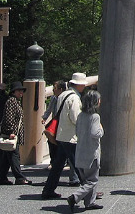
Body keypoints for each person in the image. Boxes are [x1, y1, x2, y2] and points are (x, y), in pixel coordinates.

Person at [42, 72, 88, 200]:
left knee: (57, 165)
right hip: (71, 137)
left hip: (61, 135)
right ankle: (88, 190)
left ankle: (48, 189)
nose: (84, 87)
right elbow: (75, 117)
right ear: (78, 85)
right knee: (78, 164)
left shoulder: (63, 95)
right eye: (82, 85)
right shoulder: (74, 98)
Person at [67, 90, 103, 211]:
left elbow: (77, 132)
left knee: (87, 180)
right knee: (92, 180)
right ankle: (75, 197)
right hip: (91, 153)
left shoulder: (81, 116)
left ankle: (90, 202)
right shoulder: (95, 117)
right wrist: (102, 130)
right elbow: (95, 133)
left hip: (80, 151)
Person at [0, 81, 31, 185]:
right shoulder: (11, 101)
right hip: (11, 134)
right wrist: (11, 131)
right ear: (14, 91)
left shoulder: (14, 101)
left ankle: (1, 177)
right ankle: (19, 177)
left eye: (22, 91)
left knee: (7, 157)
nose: (21, 93)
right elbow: (9, 118)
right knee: (14, 155)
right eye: (19, 91)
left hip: (12, 133)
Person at [42, 80, 76, 179]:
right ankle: (78, 180)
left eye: (55, 89)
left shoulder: (65, 97)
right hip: (59, 126)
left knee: (64, 152)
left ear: (61, 89)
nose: (53, 91)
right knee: (59, 149)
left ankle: (51, 184)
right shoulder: (56, 98)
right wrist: (44, 117)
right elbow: (49, 109)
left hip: (62, 127)